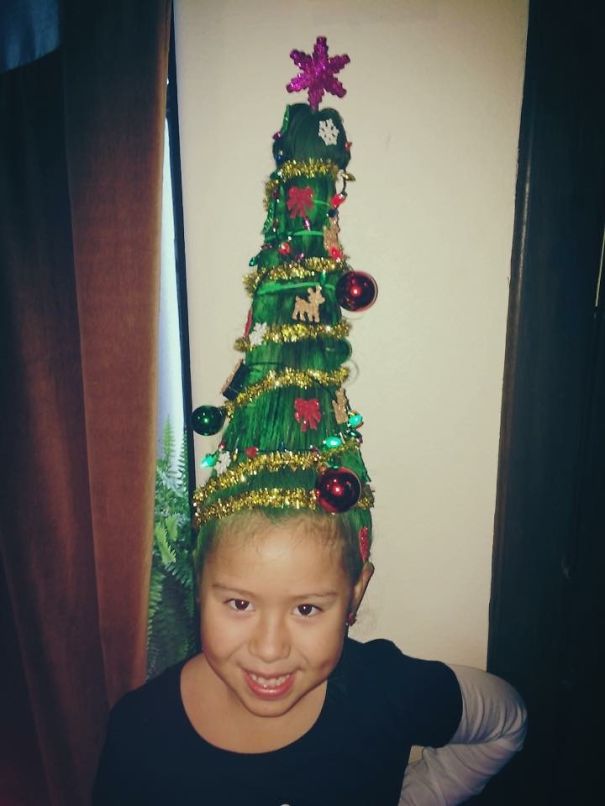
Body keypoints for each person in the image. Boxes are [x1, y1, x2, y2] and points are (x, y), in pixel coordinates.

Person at [94, 36, 526, 805]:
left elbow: (506, 721)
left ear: (355, 591)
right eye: (236, 603)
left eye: (307, 607)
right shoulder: (139, 736)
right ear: (196, 588)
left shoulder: (385, 693)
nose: (268, 648)